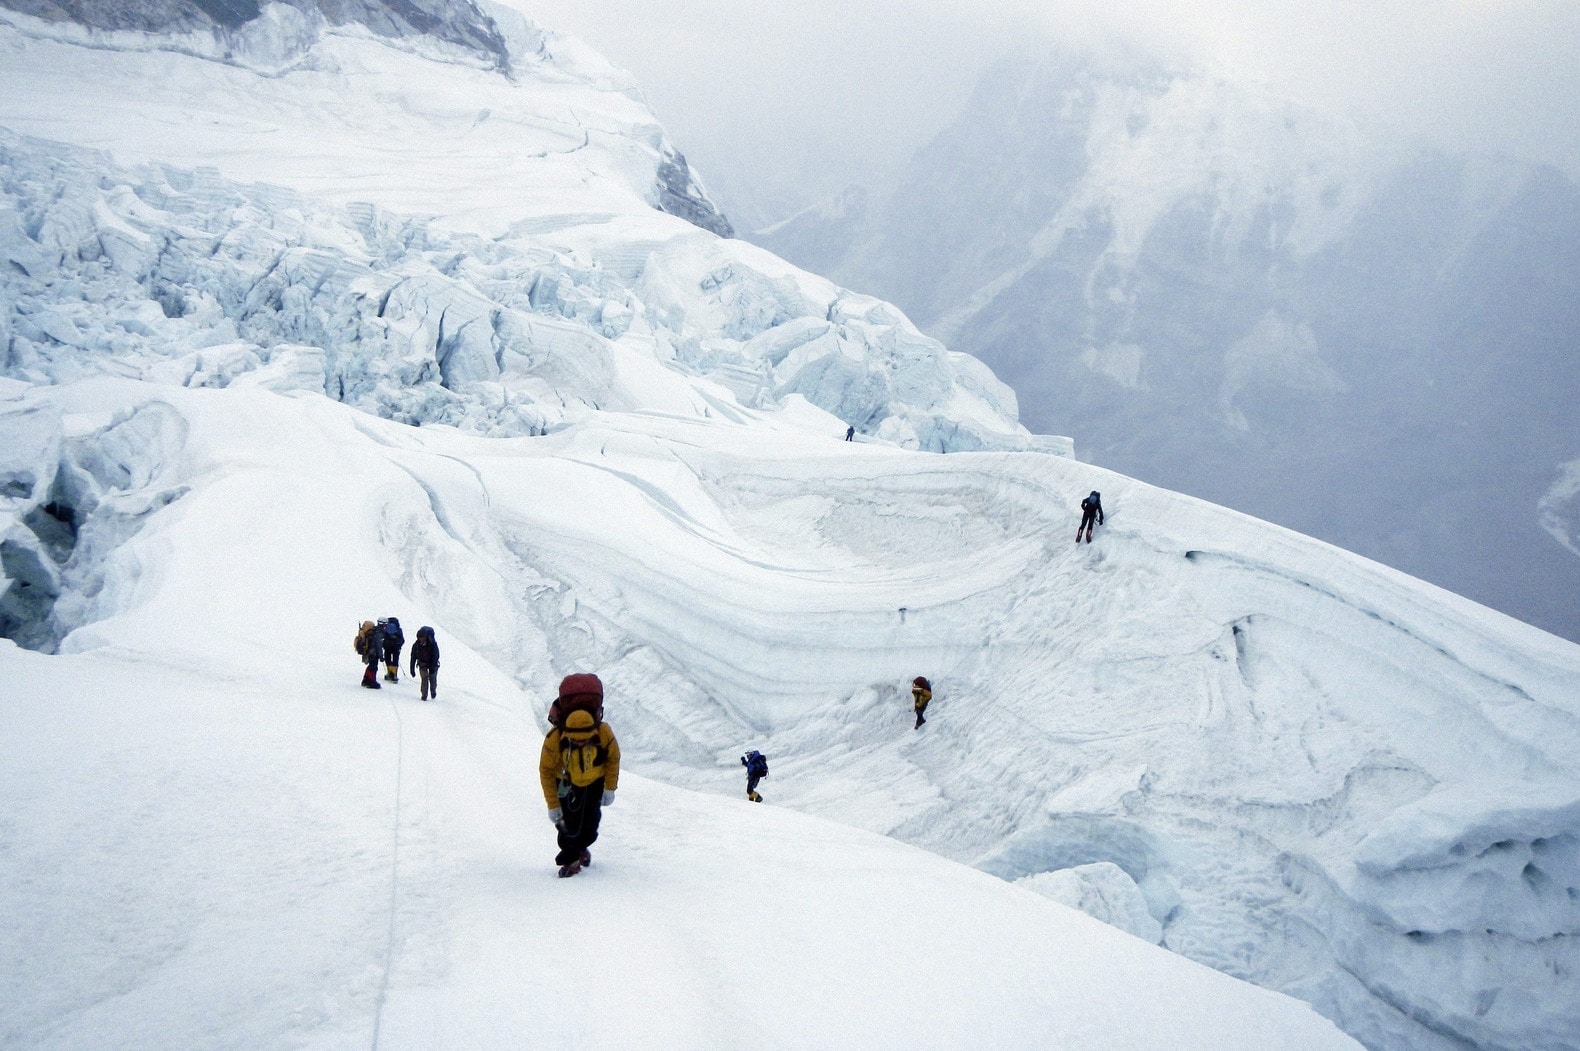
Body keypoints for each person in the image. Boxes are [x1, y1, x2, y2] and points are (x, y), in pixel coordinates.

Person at [539, 673, 620, 878]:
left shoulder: (603, 732)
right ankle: (571, 859)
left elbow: (613, 758)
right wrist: (553, 805)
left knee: (591, 822)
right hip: (565, 783)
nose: (581, 744)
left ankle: (582, 846)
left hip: (594, 783)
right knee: (567, 826)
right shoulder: (555, 739)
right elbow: (546, 770)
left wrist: (609, 787)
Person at [409, 626, 439, 701]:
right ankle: (424, 695)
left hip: (432, 663)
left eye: (423, 637)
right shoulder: (416, 646)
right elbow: (413, 657)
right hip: (422, 664)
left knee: (433, 678)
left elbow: (436, 655)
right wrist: (412, 669)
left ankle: (433, 691)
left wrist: (432, 667)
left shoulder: (432, 644)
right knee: (424, 678)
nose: (421, 639)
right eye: (420, 638)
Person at [355, 620, 382, 689]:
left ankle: (366, 679)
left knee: (371, 666)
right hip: (373, 654)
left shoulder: (366, 634)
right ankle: (371, 681)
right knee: (373, 667)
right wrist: (381, 656)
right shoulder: (373, 634)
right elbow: (378, 646)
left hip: (367, 653)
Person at [381, 617, 405, 682]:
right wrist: (398, 645)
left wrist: (383, 645)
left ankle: (389, 673)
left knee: (387, 659)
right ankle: (394, 675)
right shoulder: (398, 629)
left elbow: (382, 637)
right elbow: (402, 640)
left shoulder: (386, 628)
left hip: (387, 648)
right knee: (395, 660)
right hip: (396, 648)